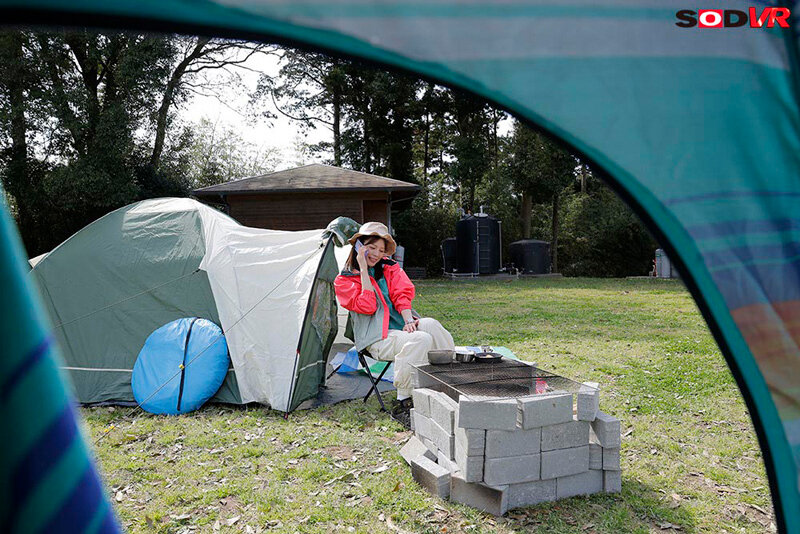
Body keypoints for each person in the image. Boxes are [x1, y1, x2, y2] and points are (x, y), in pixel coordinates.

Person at [334, 222, 455, 427]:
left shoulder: (390, 268)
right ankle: (403, 402)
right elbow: (368, 306)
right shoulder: (344, 280)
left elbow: (402, 295)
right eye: (371, 248)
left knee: (431, 325)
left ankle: (450, 381)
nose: (376, 254)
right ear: (359, 247)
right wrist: (363, 270)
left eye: (381, 250)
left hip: (400, 329)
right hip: (376, 338)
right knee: (421, 339)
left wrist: (409, 320)